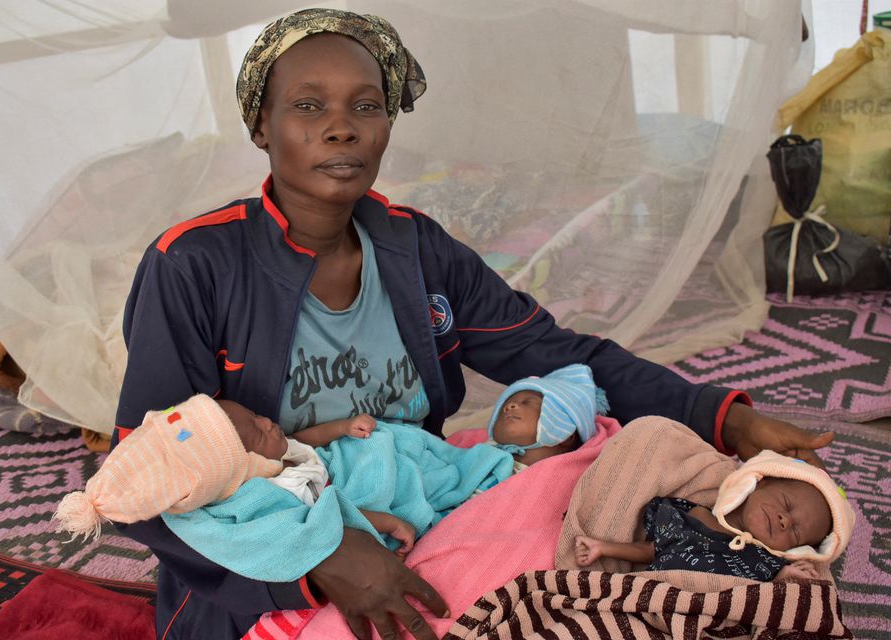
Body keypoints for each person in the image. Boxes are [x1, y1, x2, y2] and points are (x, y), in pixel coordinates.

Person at [112, 8, 835, 639]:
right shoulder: (193, 266)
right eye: (308, 106)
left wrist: (727, 422)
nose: (341, 128)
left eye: (367, 106)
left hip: (424, 510)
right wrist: (321, 562)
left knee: (607, 483)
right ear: (260, 125)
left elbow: (552, 352)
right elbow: (142, 481)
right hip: (270, 556)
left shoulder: (414, 249)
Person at [55, 394, 418, 555]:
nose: (267, 422)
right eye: (259, 431)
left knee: (392, 443)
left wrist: (343, 427)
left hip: (336, 469)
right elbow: (331, 516)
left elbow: (303, 441)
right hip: (347, 500)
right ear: (246, 467)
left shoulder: (277, 451)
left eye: (255, 414)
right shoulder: (276, 490)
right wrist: (386, 521)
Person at [573, 450, 855, 581]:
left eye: (795, 532)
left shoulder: (761, 559)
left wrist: (786, 575)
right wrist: (603, 547)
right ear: (760, 481)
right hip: (653, 593)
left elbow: (763, 586)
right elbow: (651, 550)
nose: (785, 520)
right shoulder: (692, 514)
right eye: (785, 503)